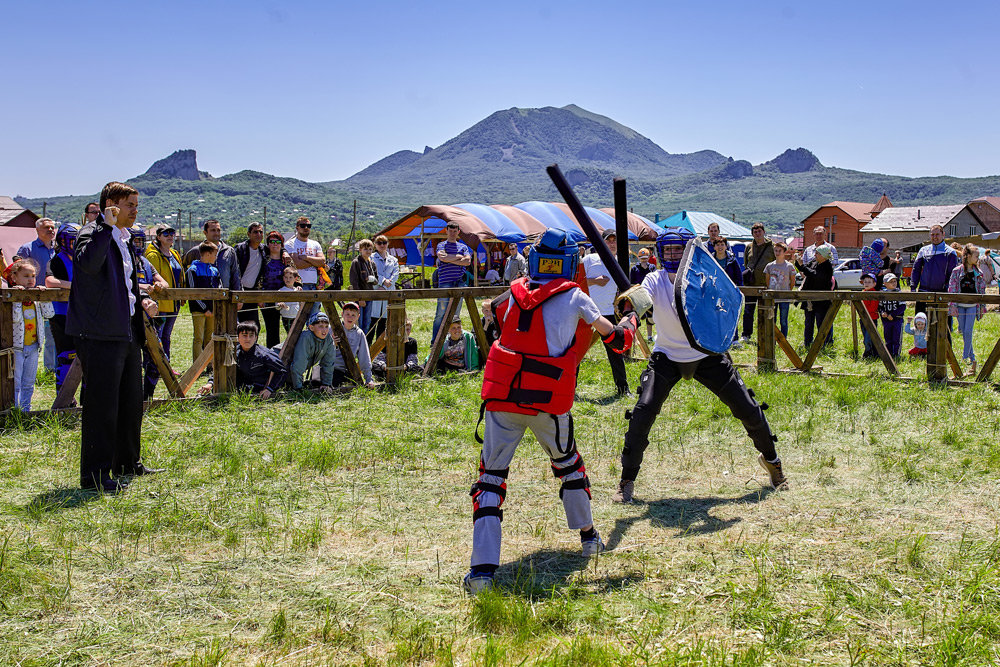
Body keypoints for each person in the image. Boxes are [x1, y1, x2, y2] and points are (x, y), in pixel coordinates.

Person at [464, 230, 635, 594]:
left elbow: (493, 312)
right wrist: (633, 316)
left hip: (503, 397)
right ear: (570, 263)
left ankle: (481, 572)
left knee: (490, 480)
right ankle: (589, 538)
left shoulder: (512, 290)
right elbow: (618, 341)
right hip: (546, 400)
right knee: (569, 466)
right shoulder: (576, 296)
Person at [611, 227, 784, 504]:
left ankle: (774, 463)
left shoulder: (704, 278)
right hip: (666, 356)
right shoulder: (655, 278)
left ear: (688, 250)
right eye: (667, 249)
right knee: (643, 411)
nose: (672, 254)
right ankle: (626, 480)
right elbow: (640, 299)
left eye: (677, 249)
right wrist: (628, 310)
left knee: (748, 408)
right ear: (660, 252)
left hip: (706, 354)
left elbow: (724, 305)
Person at [67, 181, 164, 493]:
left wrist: (140, 301)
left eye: (136, 205)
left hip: (125, 331)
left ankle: (126, 462)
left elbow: (125, 283)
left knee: (130, 401)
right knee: (101, 405)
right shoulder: (91, 233)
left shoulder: (125, 239)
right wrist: (105, 227)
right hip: (99, 333)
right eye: (130, 205)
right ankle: (95, 475)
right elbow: (87, 265)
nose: (135, 211)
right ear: (111, 205)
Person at [583, 229, 629, 395]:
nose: (612, 244)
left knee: (615, 351)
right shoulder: (589, 259)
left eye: (615, 241)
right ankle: (569, 389)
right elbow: (577, 280)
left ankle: (623, 389)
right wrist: (595, 281)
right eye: (608, 240)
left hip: (608, 312)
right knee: (577, 350)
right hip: (585, 311)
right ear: (601, 243)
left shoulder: (620, 262)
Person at [7, 259, 54, 411]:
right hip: (18, 347)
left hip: (34, 346)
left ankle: (26, 409)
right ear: (14, 277)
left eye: (33, 276)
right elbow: (14, 319)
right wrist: (18, 299)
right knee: (17, 381)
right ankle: (15, 409)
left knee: (29, 381)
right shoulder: (13, 296)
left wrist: (44, 297)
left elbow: (49, 314)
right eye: (26, 276)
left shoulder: (36, 299)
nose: (30, 280)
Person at [144, 223, 186, 395]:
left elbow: (179, 275)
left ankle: (166, 367)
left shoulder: (175, 253)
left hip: (173, 303)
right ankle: (157, 367)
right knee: (157, 338)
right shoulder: (152, 255)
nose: (170, 236)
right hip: (159, 305)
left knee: (167, 336)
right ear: (158, 236)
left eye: (172, 233)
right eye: (165, 233)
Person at [198, 320, 287, 398]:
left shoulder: (264, 354)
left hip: (259, 389)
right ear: (238, 337)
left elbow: (282, 371)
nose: (248, 339)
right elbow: (222, 369)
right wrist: (210, 383)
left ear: (256, 338)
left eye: (251, 335)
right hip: (240, 390)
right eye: (244, 335)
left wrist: (270, 389)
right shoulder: (234, 353)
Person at [17, 216, 58, 372]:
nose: (50, 230)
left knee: (55, 336)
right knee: (41, 335)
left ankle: (57, 367)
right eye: (46, 227)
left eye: (52, 227)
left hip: (57, 297)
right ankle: (48, 370)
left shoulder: (60, 249)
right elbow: (18, 270)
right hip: (35, 298)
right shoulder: (27, 249)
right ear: (37, 230)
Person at [44, 223, 80, 394]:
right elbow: (50, 281)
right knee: (66, 357)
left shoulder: (84, 260)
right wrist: (75, 286)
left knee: (85, 357)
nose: (76, 244)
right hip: (61, 315)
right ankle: (63, 401)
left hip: (82, 315)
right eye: (72, 241)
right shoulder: (57, 260)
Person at [948, 244, 986, 377]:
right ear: (968, 256)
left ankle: (965, 356)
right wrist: (952, 305)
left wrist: (982, 307)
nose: (978, 258)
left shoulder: (978, 273)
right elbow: (952, 288)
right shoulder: (956, 271)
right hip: (959, 306)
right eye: (976, 256)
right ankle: (973, 360)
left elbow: (982, 291)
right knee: (964, 332)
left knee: (968, 331)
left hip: (971, 307)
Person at [431, 223, 472, 341]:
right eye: (451, 231)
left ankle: (452, 340)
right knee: (441, 313)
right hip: (445, 281)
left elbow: (468, 261)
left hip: (459, 281)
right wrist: (459, 257)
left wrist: (450, 258)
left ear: (458, 232)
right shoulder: (441, 245)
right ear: (446, 231)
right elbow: (442, 258)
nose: (452, 233)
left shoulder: (463, 247)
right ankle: (435, 341)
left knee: (455, 313)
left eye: (455, 231)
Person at [186, 242, 222, 365]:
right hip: (198, 309)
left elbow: (218, 290)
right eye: (215, 254)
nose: (216, 257)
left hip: (212, 310)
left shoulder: (214, 270)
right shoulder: (192, 270)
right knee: (198, 338)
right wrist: (204, 308)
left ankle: (210, 364)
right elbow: (192, 293)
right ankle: (198, 365)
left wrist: (213, 308)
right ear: (207, 254)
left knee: (210, 337)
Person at [910, 224, 958, 315]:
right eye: (932, 235)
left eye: (937, 234)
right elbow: (916, 269)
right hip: (923, 292)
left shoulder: (950, 252)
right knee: (921, 322)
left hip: (941, 294)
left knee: (942, 325)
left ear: (943, 234)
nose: (934, 237)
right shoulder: (923, 250)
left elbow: (952, 274)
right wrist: (913, 286)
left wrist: (949, 290)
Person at [794, 244, 834, 348]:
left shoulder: (827, 266)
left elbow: (816, 276)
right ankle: (807, 343)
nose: (815, 255)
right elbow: (805, 269)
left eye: (817, 253)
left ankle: (825, 344)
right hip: (810, 298)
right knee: (808, 323)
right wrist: (798, 262)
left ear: (824, 255)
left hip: (821, 300)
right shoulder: (814, 262)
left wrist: (803, 266)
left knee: (821, 323)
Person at [183, 219, 241, 291]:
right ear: (205, 232)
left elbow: (235, 274)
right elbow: (184, 267)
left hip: (225, 296)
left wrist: (238, 295)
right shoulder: (196, 251)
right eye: (213, 230)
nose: (216, 233)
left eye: (218, 230)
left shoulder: (229, 251)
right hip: (201, 297)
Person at [740, 223, 775, 342]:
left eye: (759, 231)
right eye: (755, 232)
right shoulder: (749, 247)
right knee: (748, 311)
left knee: (766, 310)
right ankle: (746, 335)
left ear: (764, 232)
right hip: (750, 285)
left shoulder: (772, 247)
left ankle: (766, 334)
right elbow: (746, 263)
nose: (757, 234)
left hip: (766, 285)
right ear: (752, 234)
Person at [284, 216, 324, 317]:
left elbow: (323, 261)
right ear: (297, 228)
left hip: (315, 286)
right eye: (303, 225)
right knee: (300, 317)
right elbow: (297, 264)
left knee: (315, 317)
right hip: (299, 285)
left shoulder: (315, 244)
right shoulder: (290, 244)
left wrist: (306, 257)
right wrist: (315, 261)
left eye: (308, 226)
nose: (306, 227)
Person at [289, 311, 337, 394]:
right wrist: (299, 388)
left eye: (326, 326)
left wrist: (326, 384)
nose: (324, 330)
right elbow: (299, 363)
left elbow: (328, 362)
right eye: (320, 326)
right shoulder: (306, 337)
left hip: (291, 370)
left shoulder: (328, 339)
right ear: (311, 327)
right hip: (281, 363)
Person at [330, 302, 375, 388]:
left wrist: (368, 379)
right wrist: (332, 344)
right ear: (342, 314)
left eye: (353, 315)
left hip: (347, 369)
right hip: (330, 367)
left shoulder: (359, 334)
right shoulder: (332, 329)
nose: (350, 317)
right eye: (347, 314)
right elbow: (322, 351)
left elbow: (364, 357)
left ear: (358, 317)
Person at [235, 222, 268, 328]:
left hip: (252, 292)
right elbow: (234, 272)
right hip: (239, 291)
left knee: (254, 326)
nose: (259, 234)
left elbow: (279, 248)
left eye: (261, 232)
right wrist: (238, 292)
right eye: (255, 232)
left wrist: (285, 252)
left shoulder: (263, 250)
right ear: (248, 234)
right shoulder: (240, 249)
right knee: (236, 325)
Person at [259, 231, 289, 347]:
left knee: (289, 328)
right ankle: (272, 354)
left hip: (285, 298)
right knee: (272, 329)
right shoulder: (263, 260)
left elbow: (296, 277)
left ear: (282, 244)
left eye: (278, 242)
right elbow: (259, 279)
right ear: (268, 244)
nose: (275, 244)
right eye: (272, 242)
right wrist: (260, 297)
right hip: (268, 298)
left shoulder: (286, 260)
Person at [763, 241, 797, 337]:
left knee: (783, 321)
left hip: (784, 297)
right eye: (776, 251)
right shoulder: (769, 266)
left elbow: (792, 281)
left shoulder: (789, 266)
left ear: (784, 252)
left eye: (780, 251)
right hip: (773, 297)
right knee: (772, 320)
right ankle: (772, 339)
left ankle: (783, 340)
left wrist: (787, 291)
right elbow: (767, 280)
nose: (777, 253)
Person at [370, 234, 399, 343]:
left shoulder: (393, 260)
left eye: (384, 243)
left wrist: (388, 283)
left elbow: (396, 274)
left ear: (388, 244)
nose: (382, 245)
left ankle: (380, 351)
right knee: (372, 322)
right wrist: (382, 281)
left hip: (388, 291)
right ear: (375, 245)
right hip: (375, 291)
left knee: (384, 324)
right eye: (379, 243)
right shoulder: (371, 258)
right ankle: (367, 349)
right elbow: (372, 272)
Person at [349, 239, 378, 341]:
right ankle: (356, 343)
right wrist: (359, 298)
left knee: (367, 323)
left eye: (370, 249)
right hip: (359, 298)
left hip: (369, 296)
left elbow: (376, 280)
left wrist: (372, 279)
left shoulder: (372, 264)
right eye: (366, 249)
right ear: (360, 249)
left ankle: (363, 344)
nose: (368, 251)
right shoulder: (356, 262)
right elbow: (354, 281)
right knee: (359, 322)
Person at [630, 247, 656, 342]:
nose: (644, 260)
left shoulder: (652, 267)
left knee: (650, 317)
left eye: (645, 258)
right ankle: (634, 338)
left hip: (649, 295)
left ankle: (649, 336)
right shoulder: (634, 269)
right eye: (642, 258)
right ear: (639, 258)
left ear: (648, 258)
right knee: (636, 317)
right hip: (638, 295)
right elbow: (632, 283)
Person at [878, 273, 906, 359]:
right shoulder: (883, 294)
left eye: (895, 281)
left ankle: (896, 354)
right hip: (886, 320)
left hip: (897, 319)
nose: (894, 283)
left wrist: (892, 315)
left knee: (896, 337)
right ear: (885, 284)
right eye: (891, 282)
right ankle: (889, 354)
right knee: (888, 337)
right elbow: (880, 306)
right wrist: (882, 312)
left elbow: (902, 307)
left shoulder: (898, 293)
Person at [860, 274, 880, 359]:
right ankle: (874, 353)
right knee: (866, 337)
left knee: (869, 338)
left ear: (874, 284)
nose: (867, 283)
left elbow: (873, 308)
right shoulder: (862, 293)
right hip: (863, 319)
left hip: (872, 318)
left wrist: (863, 310)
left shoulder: (874, 293)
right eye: (865, 282)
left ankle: (868, 354)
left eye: (869, 282)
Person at [276, 266, 303, 331]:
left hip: (296, 317)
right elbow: (277, 306)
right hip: (287, 318)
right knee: (290, 335)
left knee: (297, 335)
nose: (288, 279)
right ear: (283, 278)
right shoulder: (280, 291)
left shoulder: (298, 290)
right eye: (286, 277)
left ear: (295, 279)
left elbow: (301, 303)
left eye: (290, 277)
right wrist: (280, 305)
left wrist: (301, 293)